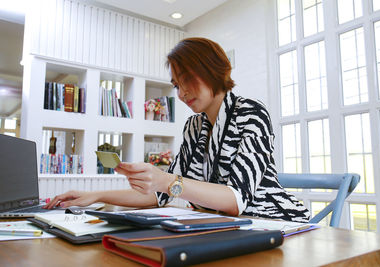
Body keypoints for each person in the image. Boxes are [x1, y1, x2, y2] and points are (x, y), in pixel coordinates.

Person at [44, 37, 310, 222]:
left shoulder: (251, 113)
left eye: (188, 80)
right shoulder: (195, 126)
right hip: (223, 228)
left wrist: (165, 180)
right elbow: (163, 195)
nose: (181, 93)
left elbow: (235, 200)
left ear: (213, 71)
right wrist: (93, 196)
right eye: (176, 85)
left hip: (273, 224)